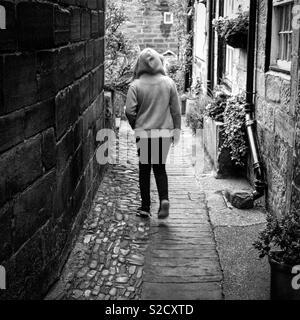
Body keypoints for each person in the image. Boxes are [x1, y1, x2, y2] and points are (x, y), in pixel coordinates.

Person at [125, 48, 181, 219]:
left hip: (144, 133)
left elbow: (129, 111)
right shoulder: (168, 83)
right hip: (163, 134)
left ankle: (145, 207)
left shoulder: (136, 85)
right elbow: (176, 110)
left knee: (144, 169)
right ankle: (164, 199)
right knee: (160, 168)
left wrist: (136, 125)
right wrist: (176, 130)